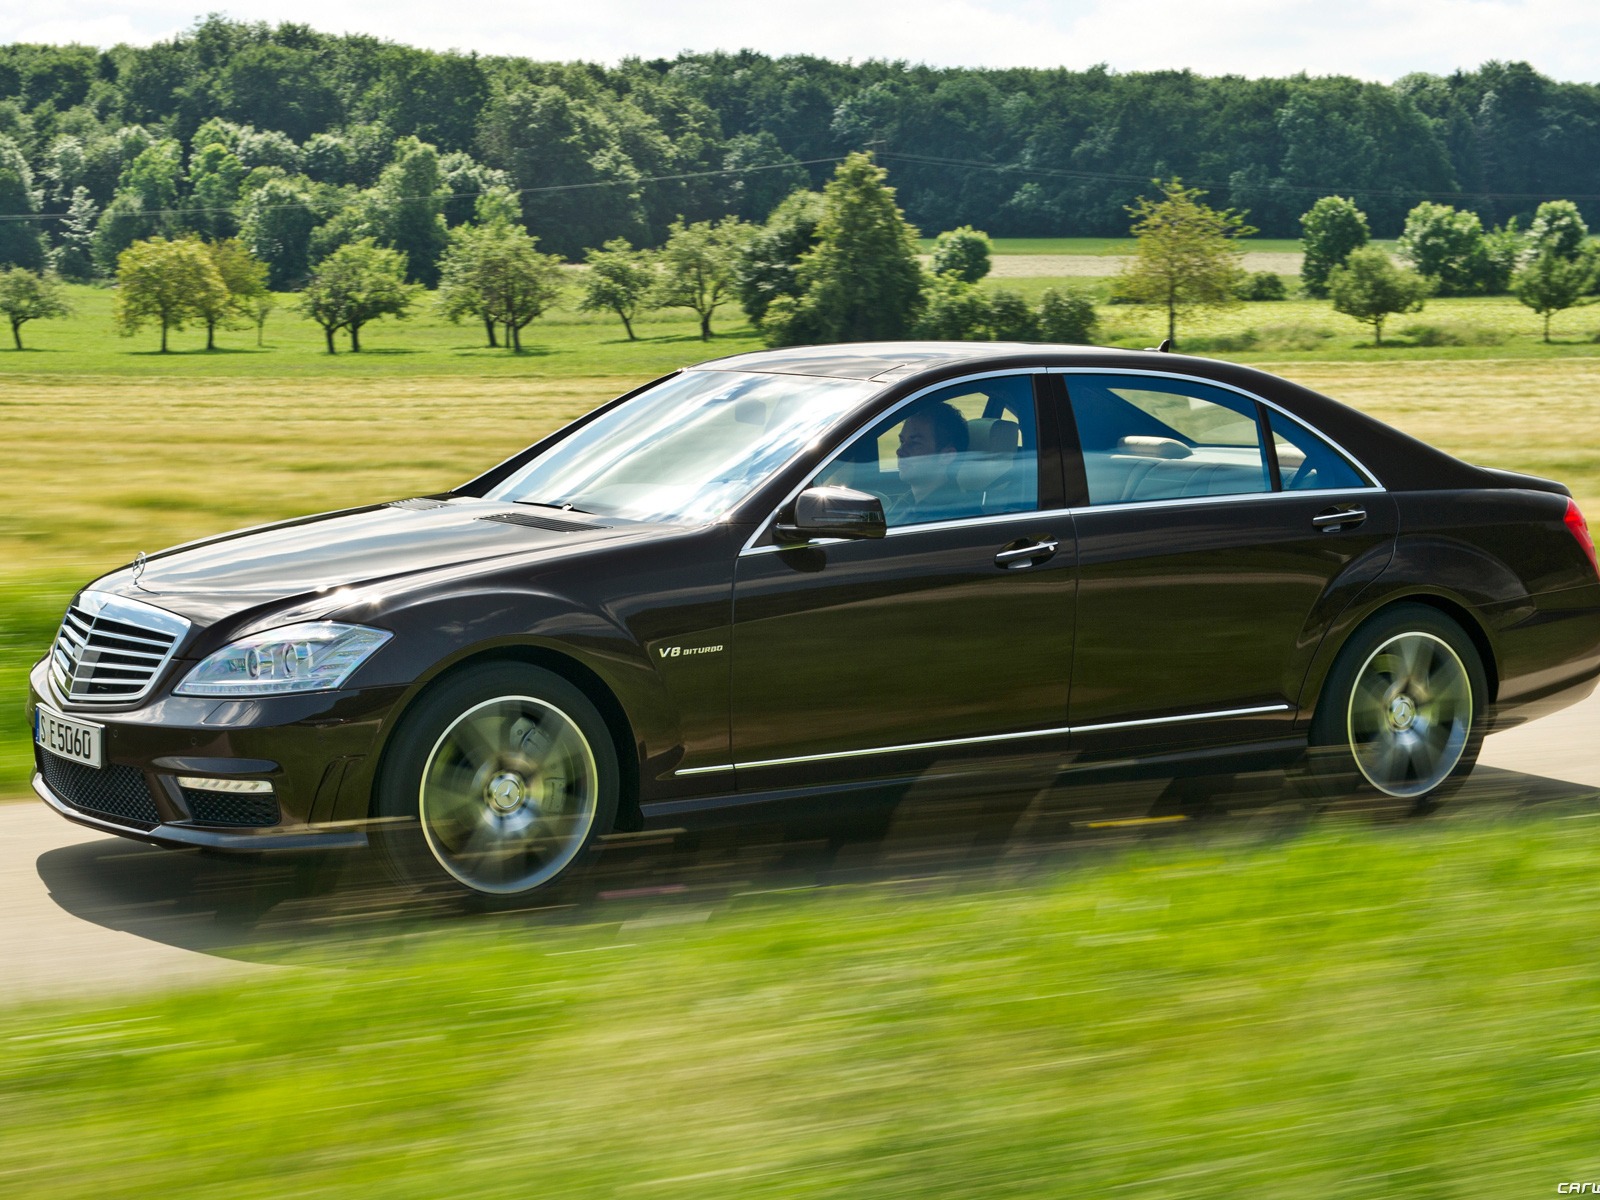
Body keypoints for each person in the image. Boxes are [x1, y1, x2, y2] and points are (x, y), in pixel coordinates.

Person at [888, 400, 969, 525]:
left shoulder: (953, 519)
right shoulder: (908, 501)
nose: (900, 451)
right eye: (902, 441)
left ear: (947, 456)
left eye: (915, 443)